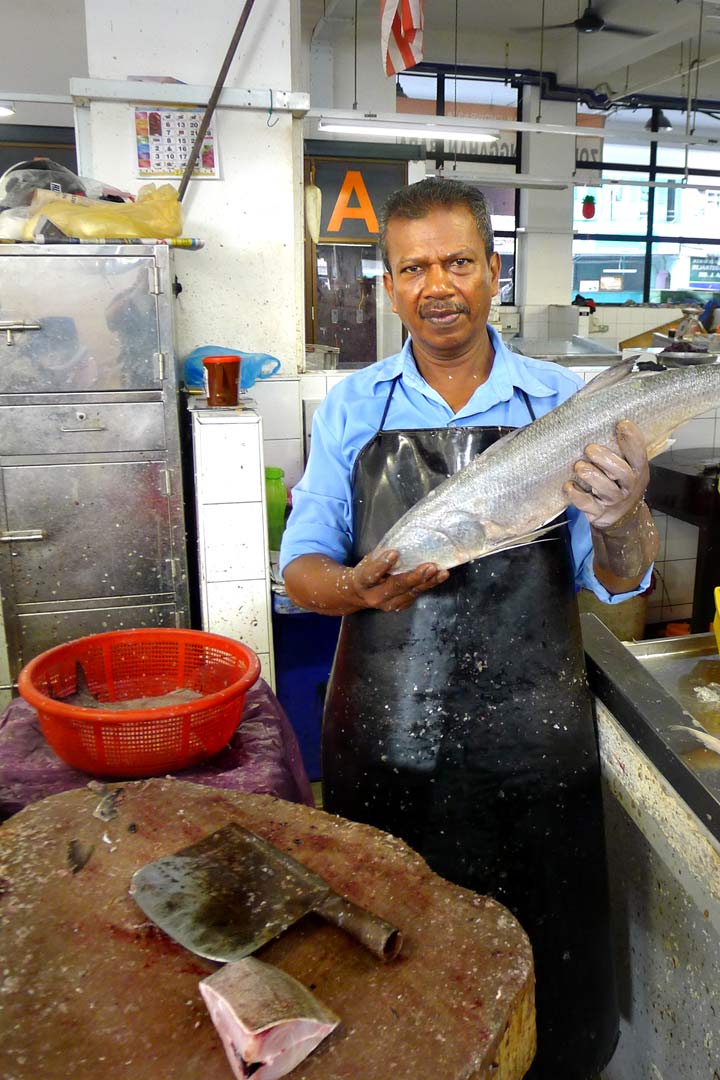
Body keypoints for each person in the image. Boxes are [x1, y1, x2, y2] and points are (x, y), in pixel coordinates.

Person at [280, 177, 658, 1080]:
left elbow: (618, 581)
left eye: (457, 261)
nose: (437, 284)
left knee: (546, 964)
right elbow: (299, 571)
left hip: (538, 736)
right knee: (396, 971)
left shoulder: (564, 402)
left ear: (495, 271)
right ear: (389, 286)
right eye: (414, 268)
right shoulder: (353, 407)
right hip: (387, 738)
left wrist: (625, 519)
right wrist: (355, 588)